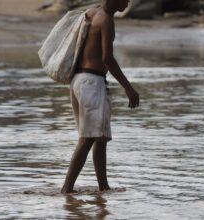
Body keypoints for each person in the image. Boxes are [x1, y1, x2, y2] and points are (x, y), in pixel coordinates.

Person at [61, 0, 139, 194]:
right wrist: (129, 88)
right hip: (91, 83)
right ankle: (66, 189)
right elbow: (107, 58)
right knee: (87, 139)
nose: (128, 1)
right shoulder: (106, 21)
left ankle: (103, 187)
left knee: (100, 137)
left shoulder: (91, 13)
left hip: (80, 80)